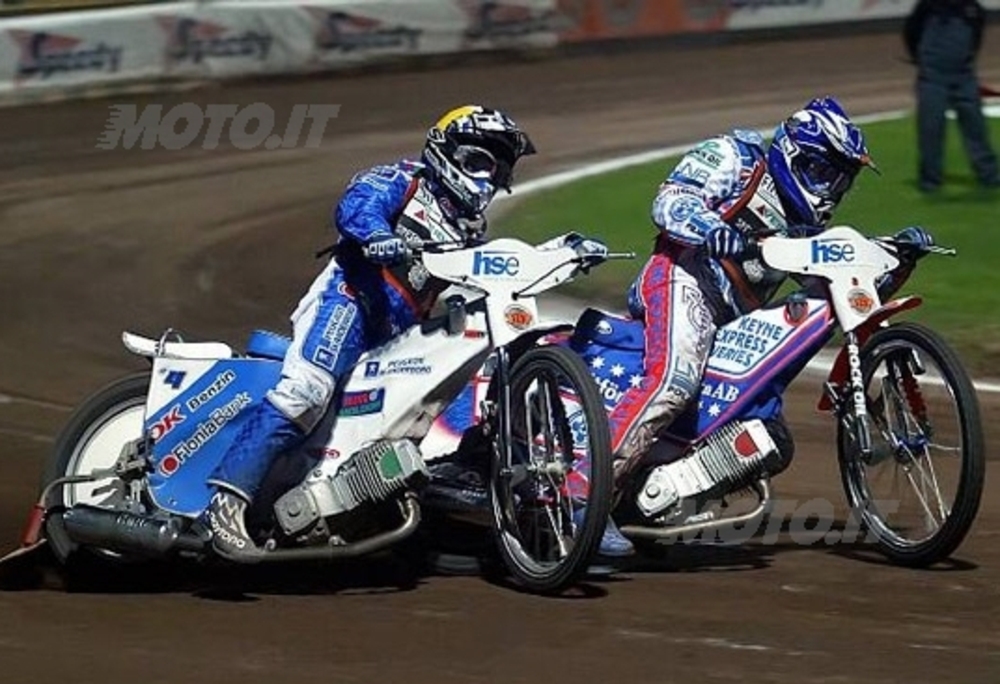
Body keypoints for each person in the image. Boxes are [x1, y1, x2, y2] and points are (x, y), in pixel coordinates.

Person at [598, 96, 934, 558]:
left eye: (842, 180)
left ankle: (643, 503)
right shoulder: (736, 156)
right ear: (795, 156)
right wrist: (710, 228)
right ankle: (583, 498)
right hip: (681, 278)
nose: (832, 191)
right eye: (825, 173)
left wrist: (895, 259)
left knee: (767, 439)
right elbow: (670, 201)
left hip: (732, 319)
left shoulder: (804, 228)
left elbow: (834, 291)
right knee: (675, 381)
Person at [203, 105, 537, 558]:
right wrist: (376, 234)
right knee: (306, 392)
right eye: (478, 162)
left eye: (496, 171)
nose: (486, 179)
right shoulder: (404, 179)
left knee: (435, 397)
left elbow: (489, 271)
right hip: (348, 302)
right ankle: (225, 504)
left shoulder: (469, 228)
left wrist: (554, 259)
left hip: (399, 333)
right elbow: (358, 204)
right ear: (446, 153)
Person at [904, 0, 999, 191]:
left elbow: (975, 38)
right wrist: (923, 61)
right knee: (931, 130)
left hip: (964, 76)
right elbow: (911, 32)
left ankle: (989, 175)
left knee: (976, 127)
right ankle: (930, 180)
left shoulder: (973, 9)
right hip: (933, 78)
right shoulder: (928, 6)